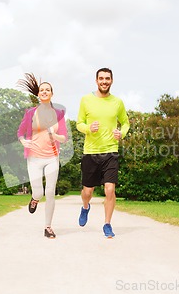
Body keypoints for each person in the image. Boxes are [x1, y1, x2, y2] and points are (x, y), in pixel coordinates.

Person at [76, 67, 130, 238]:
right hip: (91, 152)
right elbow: (79, 123)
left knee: (109, 189)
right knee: (87, 192)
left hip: (111, 152)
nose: (104, 81)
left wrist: (121, 133)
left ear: (111, 81)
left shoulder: (118, 102)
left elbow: (126, 123)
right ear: (96, 80)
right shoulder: (86, 100)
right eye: (101, 78)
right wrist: (88, 128)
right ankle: (85, 207)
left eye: (107, 78)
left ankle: (107, 224)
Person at [17, 73, 68, 239]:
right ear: (38, 94)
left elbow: (64, 138)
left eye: (48, 90)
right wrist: (23, 141)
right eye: (42, 90)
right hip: (34, 158)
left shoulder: (59, 114)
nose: (44, 92)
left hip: (52, 157)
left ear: (52, 94)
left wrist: (55, 136)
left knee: (51, 191)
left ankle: (48, 226)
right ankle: (34, 198)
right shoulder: (30, 113)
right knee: (38, 192)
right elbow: (20, 132)